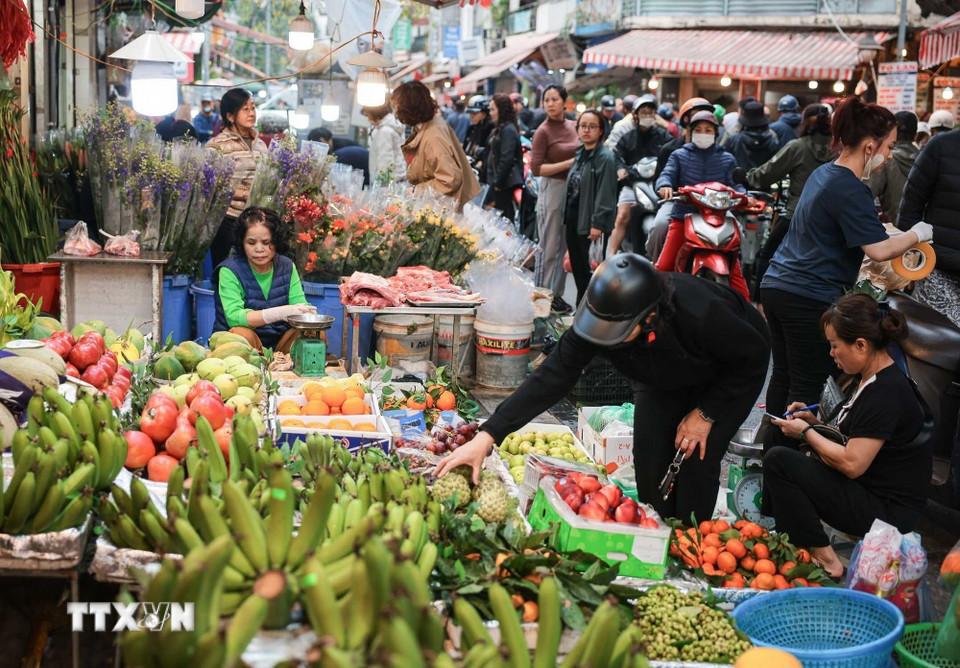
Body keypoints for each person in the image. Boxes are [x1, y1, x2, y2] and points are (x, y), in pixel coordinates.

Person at [436, 254, 770, 523]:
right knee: (651, 462)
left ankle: (692, 544)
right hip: (659, 375)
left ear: (648, 318)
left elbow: (752, 358)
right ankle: (659, 538)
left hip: (726, 374)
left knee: (697, 461)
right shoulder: (601, 316)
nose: (602, 337)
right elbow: (551, 377)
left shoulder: (702, 312)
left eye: (614, 332)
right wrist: (487, 435)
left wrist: (706, 414)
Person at [759, 97, 934, 449]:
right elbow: (878, 249)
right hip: (807, 295)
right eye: (887, 146)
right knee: (805, 387)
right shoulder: (851, 187)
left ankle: (770, 463)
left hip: (777, 286)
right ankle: (786, 473)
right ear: (870, 146)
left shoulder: (824, 173)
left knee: (783, 376)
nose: (887, 154)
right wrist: (917, 234)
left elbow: (859, 231)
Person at [765, 294, 927, 577]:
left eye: (835, 346)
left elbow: (853, 464)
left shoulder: (886, 392)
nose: (832, 354)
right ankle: (783, 532)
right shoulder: (866, 377)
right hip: (867, 488)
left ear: (861, 345)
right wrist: (813, 423)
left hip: (887, 513)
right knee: (778, 437)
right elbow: (851, 434)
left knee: (781, 460)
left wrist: (805, 432)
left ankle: (827, 559)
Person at [655, 110, 749, 300]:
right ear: (690, 133)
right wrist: (665, 186)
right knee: (663, 267)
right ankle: (650, 312)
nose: (703, 133)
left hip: (719, 218)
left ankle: (750, 316)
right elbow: (666, 174)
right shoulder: (678, 155)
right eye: (698, 129)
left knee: (736, 272)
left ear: (715, 133)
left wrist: (745, 195)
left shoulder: (727, 158)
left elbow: (736, 184)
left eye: (708, 130)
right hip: (684, 216)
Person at [747, 104, 834, 299]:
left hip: (797, 214)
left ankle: (760, 305)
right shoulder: (839, 149)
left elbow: (767, 173)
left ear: (804, 123)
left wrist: (749, 177)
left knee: (768, 255)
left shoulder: (798, 147)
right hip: (831, 219)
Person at [212, 207, 317, 353]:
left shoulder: (287, 266)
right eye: (251, 242)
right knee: (240, 334)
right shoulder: (229, 270)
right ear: (241, 242)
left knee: (311, 332)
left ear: (276, 241)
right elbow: (234, 317)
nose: (259, 249)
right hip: (246, 347)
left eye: (267, 242)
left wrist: (307, 313)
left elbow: (299, 303)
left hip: (280, 344)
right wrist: (277, 313)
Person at [897, 112, 960, 327]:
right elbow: (909, 210)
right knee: (946, 349)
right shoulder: (940, 147)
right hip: (938, 271)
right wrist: (917, 260)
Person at [392, 81, 481, 211]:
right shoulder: (427, 127)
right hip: (435, 209)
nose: (395, 111)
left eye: (397, 106)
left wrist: (417, 190)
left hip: (441, 212)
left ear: (409, 107)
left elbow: (449, 179)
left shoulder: (433, 135)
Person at [530, 84, 579, 314]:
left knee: (564, 246)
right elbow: (537, 168)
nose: (550, 104)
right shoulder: (543, 131)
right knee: (548, 247)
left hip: (573, 190)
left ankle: (556, 296)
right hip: (552, 188)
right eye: (546, 100)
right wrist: (568, 165)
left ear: (564, 102)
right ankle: (540, 296)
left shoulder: (574, 126)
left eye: (554, 99)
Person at [206, 88, 269, 268]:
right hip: (228, 221)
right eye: (245, 109)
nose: (251, 113)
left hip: (257, 222)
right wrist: (239, 193)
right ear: (230, 116)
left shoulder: (260, 144)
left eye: (253, 108)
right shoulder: (217, 146)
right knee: (228, 271)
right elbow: (208, 186)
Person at [647, 98, 716, 261]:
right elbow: (661, 179)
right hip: (677, 202)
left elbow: (731, 180)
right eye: (697, 116)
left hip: (711, 204)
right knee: (660, 226)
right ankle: (656, 265)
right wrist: (665, 188)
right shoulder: (671, 150)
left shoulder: (720, 153)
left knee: (737, 229)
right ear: (686, 120)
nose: (702, 120)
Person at [563, 109, 618, 305]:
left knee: (591, 270)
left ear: (601, 131)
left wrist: (597, 223)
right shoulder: (580, 153)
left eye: (592, 126)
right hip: (573, 217)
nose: (586, 130)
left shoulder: (605, 157)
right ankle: (582, 307)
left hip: (590, 223)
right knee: (578, 268)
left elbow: (606, 194)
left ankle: (590, 309)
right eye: (583, 126)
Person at [609, 95, 672, 255]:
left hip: (658, 185)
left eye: (650, 113)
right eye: (643, 112)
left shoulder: (663, 135)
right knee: (622, 216)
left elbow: (674, 152)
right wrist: (621, 169)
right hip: (632, 184)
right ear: (635, 115)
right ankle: (609, 257)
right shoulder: (628, 137)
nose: (647, 116)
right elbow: (617, 155)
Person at [868, 110, 918, 226]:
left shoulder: (886, 160)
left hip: (894, 231)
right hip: (922, 231)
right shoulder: (925, 159)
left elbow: (866, 193)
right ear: (915, 135)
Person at [483, 93, 524, 222]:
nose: (490, 113)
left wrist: (497, 184)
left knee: (501, 220)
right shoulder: (500, 129)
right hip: (495, 183)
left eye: (493, 109)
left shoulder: (508, 130)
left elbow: (506, 159)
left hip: (502, 186)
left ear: (502, 110)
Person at [722, 100, 780, 172]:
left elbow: (722, 162)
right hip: (763, 182)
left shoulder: (733, 139)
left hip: (738, 181)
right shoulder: (772, 140)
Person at [363, 103, 407, 186]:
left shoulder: (384, 132)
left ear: (374, 114)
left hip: (389, 184)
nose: (368, 120)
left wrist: (381, 185)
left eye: (368, 116)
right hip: (395, 181)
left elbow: (385, 161)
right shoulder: (389, 128)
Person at [463, 96, 494, 183]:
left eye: (475, 114)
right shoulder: (471, 129)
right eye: (470, 113)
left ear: (484, 114)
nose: (471, 116)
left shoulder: (490, 129)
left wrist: (480, 163)